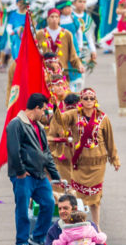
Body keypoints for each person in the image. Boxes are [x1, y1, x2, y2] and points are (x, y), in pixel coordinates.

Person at [48, 88, 119, 225]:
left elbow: (110, 139)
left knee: (95, 198)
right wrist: (56, 105)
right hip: (79, 163)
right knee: (77, 196)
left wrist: (114, 158)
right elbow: (60, 121)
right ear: (81, 100)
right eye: (85, 98)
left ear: (95, 100)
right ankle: (77, 224)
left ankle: (97, 226)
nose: (89, 101)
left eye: (91, 98)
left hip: (97, 164)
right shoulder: (73, 114)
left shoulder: (103, 118)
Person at [6, 92, 63, 245]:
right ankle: (21, 242)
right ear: (36, 108)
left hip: (39, 174)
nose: (44, 113)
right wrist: (21, 171)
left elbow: (46, 153)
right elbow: (13, 149)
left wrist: (55, 175)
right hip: (23, 176)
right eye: (44, 110)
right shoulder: (16, 124)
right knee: (23, 207)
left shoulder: (38, 126)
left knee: (49, 203)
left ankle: (37, 237)